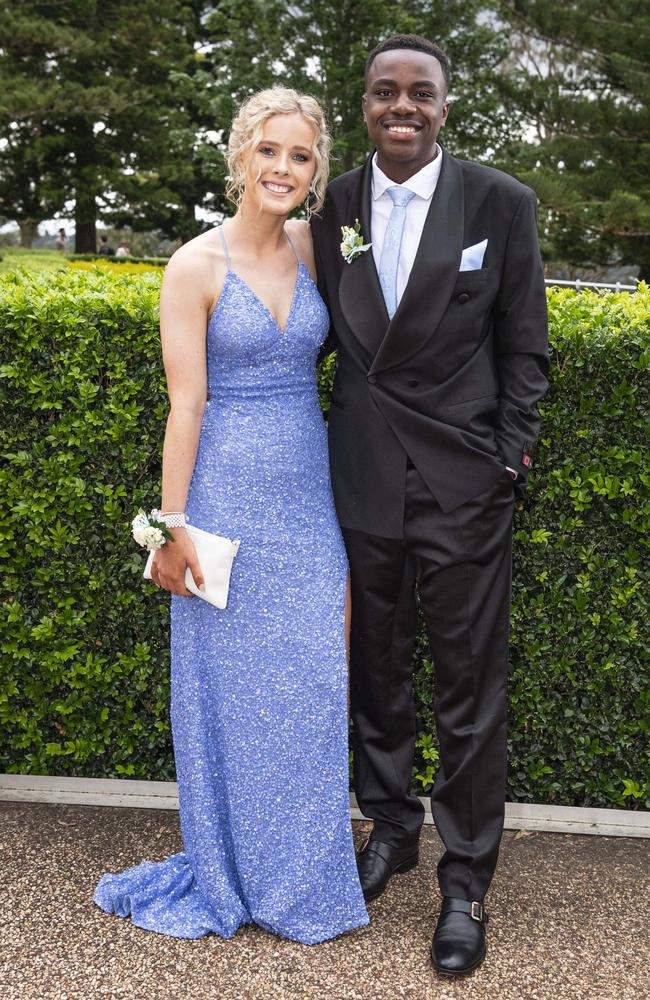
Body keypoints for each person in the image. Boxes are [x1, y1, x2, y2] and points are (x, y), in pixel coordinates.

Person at [92, 87, 368, 944]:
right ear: (241, 156)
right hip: (225, 500)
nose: (283, 169)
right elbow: (187, 407)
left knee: (314, 684)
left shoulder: (321, 254)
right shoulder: (194, 266)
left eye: (300, 155)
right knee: (230, 696)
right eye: (269, 151)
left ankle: (303, 878)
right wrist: (172, 528)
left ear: (316, 169)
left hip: (308, 500)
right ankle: (229, 872)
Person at [311, 34, 549, 976]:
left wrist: (505, 462)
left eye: (421, 93)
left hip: (462, 484)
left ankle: (465, 882)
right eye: (384, 92)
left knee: (467, 690)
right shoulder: (329, 208)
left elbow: (524, 347)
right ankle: (392, 829)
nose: (401, 106)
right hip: (364, 476)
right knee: (375, 670)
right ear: (364, 103)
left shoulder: (501, 202)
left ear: (446, 105)